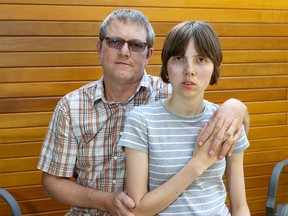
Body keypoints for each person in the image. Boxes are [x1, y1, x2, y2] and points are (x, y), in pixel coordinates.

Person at [37, 9, 249, 216]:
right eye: (114, 42)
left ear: (149, 55)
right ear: (99, 47)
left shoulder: (172, 90)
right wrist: (106, 201)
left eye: (136, 45)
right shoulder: (71, 107)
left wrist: (236, 106)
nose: (125, 51)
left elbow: (226, 121)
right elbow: (51, 182)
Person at [119, 21, 251, 215]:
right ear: (166, 66)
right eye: (179, 58)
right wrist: (198, 164)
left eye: (201, 59)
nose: (189, 69)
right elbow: (138, 210)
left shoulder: (226, 120)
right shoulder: (141, 121)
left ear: (216, 66)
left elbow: (240, 206)